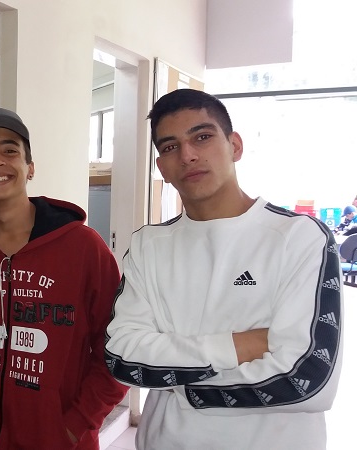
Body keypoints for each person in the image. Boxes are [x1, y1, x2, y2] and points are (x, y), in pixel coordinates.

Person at [104, 89, 342, 450]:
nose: (188, 155)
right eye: (170, 146)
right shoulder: (148, 245)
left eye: (202, 137)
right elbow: (121, 355)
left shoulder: (299, 237)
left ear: (235, 146)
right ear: (162, 168)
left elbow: (307, 378)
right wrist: (240, 345)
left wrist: (181, 387)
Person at [0, 107, 128, 450]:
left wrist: (75, 425)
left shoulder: (84, 248)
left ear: (30, 167)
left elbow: (118, 348)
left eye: (10, 150)